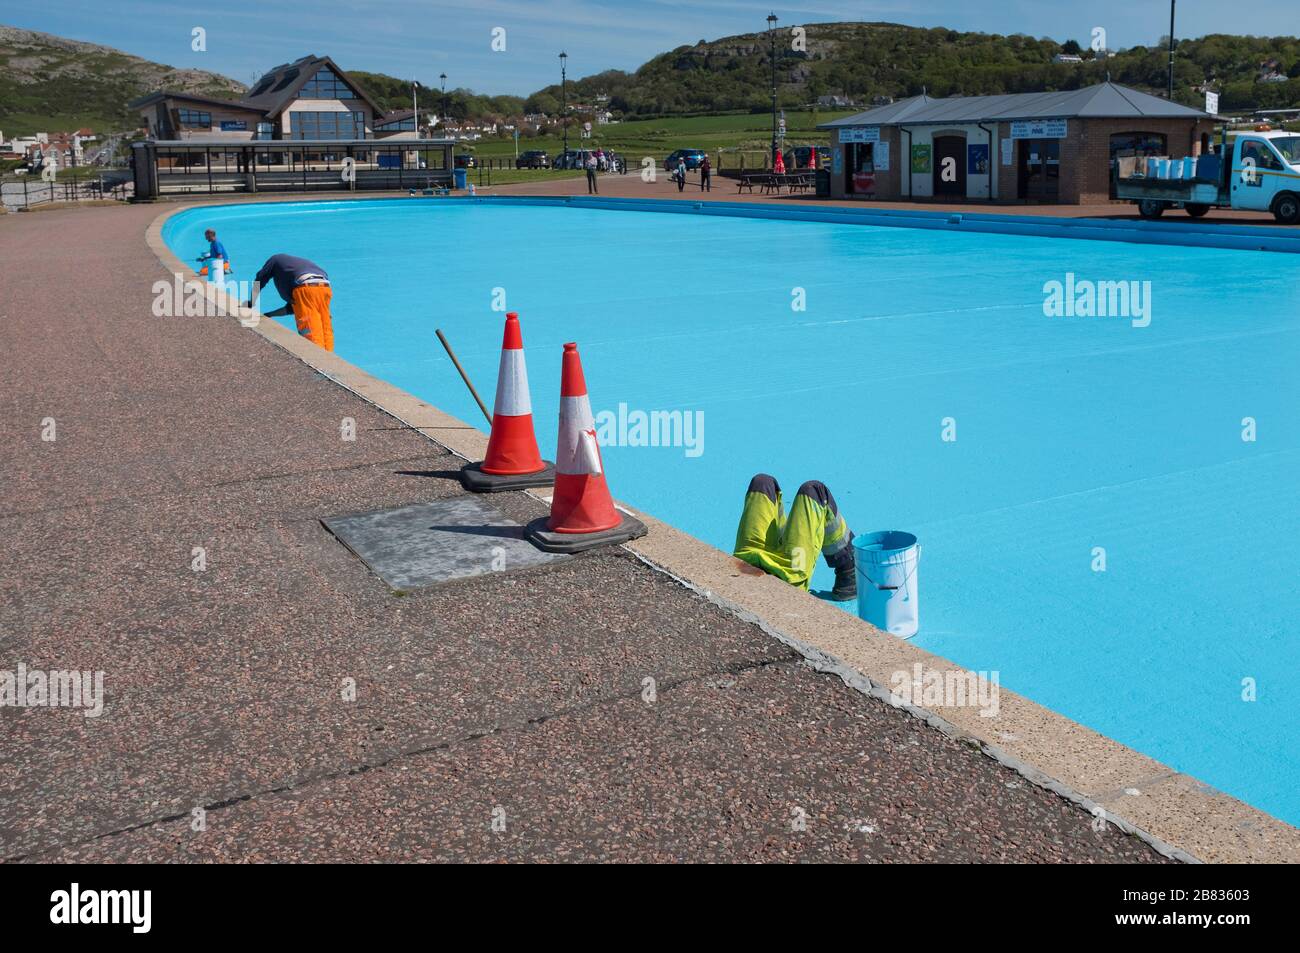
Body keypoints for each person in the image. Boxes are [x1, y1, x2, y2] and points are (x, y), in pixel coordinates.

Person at [733, 473, 856, 601]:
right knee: (815, 491)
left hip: (747, 562)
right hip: (790, 571)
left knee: (761, 483)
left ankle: (782, 543)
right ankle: (850, 567)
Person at [244, 254, 334, 351]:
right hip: (325, 287)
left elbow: (260, 279)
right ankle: (329, 357)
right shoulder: (291, 271)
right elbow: (291, 309)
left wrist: (252, 301)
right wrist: (269, 315)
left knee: (310, 328)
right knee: (325, 326)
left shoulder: (274, 260)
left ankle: (317, 358)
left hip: (305, 286)